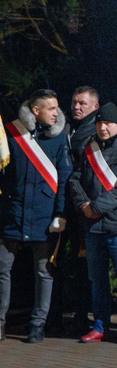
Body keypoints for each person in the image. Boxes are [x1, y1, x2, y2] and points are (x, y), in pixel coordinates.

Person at [0, 89, 72, 343]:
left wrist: (60, 213)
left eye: (56, 107)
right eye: (50, 108)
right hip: (13, 214)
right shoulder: (12, 133)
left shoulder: (60, 139)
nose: (56, 112)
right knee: (1, 270)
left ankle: (38, 325)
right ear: (35, 110)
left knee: (43, 272)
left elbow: (64, 178)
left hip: (44, 217)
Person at [67, 102, 117, 342]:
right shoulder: (90, 147)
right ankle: (99, 325)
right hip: (92, 228)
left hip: (115, 225)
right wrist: (83, 206)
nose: (103, 127)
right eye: (99, 122)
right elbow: (75, 179)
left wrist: (96, 207)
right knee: (97, 281)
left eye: (108, 122)